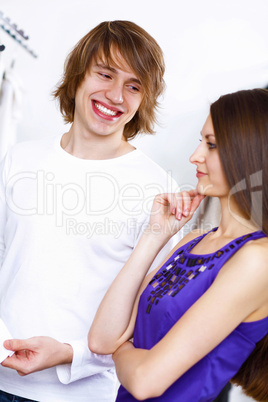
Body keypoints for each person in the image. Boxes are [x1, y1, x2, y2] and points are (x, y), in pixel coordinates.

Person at [0, 21, 180, 402]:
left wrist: (70, 354)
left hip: (83, 395)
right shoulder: (19, 159)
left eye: (133, 86)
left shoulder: (157, 190)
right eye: (105, 74)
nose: (116, 95)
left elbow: (147, 320)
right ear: (79, 75)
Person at [89, 88, 268, 402]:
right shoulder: (192, 240)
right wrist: (154, 235)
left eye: (211, 144)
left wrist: (122, 350)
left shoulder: (257, 260)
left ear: (250, 152)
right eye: (201, 141)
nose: (195, 156)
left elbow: (146, 382)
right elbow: (102, 339)